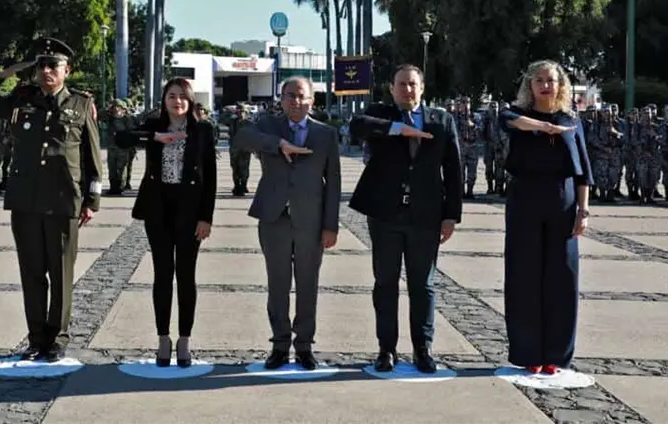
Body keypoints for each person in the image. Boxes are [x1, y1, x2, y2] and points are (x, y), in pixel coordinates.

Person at [0, 37, 103, 362]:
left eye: (52, 65)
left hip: (63, 198)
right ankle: (37, 338)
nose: (45, 71)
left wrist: (91, 201)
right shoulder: (20, 101)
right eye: (40, 65)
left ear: (66, 70)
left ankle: (58, 338)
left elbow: (92, 157)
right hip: (25, 198)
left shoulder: (81, 105)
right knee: (32, 271)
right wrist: (4, 74)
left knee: (61, 272)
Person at [348, 64, 462, 374]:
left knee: (422, 285)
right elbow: (356, 126)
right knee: (385, 282)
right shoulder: (381, 114)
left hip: (425, 215)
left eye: (412, 84)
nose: (407, 90)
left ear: (422, 88)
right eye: (401, 84)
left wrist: (451, 215)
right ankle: (387, 349)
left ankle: (422, 348)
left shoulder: (442, 120)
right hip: (386, 214)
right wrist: (399, 129)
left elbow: (453, 170)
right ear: (392, 88)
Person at [235, 77, 341, 370]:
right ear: (281, 99)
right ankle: (280, 345)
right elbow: (241, 138)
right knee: (277, 284)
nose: (295, 101)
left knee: (308, 284)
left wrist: (330, 225)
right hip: (274, 219)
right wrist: (276, 144)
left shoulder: (325, 134)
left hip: (311, 221)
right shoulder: (268, 125)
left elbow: (333, 183)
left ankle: (304, 346)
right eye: (289, 96)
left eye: (301, 96)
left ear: (312, 101)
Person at [115, 78, 217, 368]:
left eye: (183, 97)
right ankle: (163, 338)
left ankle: (184, 339)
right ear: (164, 100)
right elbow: (120, 138)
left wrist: (206, 217)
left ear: (191, 101)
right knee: (162, 274)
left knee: (186, 275)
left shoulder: (203, 130)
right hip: (158, 209)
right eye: (171, 96)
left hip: (190, 209)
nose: (177, 102)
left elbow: (210, 177)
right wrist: (154, 138)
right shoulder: (152, 124)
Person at [499, 60, 592, 375]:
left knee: (562, 277)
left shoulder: (572, 121)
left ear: (560, 84)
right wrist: (544, 126)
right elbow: (512, 121)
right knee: (524, 275)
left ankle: (556, 354)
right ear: (530, 85)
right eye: (538, 80)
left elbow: (583, 173)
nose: (545, 85)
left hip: (562, 201)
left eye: (550, 80)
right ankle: (529, 353)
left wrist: (583, 211)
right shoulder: (513, 114)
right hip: (525, 199)